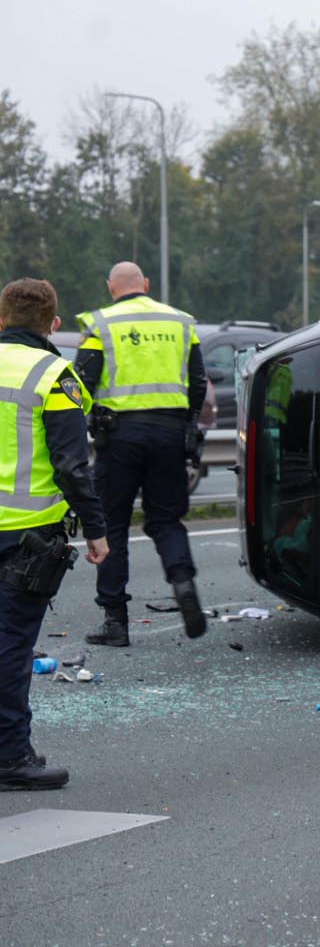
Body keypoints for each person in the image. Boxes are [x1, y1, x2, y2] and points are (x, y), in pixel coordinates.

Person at [0, 279, 108, 790]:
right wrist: (97, 528)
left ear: (1, 318)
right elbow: (71, 464)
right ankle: (11, 757)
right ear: (54, 325)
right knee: (11, 648)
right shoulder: (53, 374)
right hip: (24, 537)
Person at [74, 262, 208, 645]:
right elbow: (197, 381)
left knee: (112, 525)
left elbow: (81, 381)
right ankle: (183, 583)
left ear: (110, 288)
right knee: (166, 521)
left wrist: (88, 422)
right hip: (169, 434)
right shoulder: (180, 322)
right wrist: (190, 428)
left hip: (119, 438)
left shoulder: (101, 324)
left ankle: (115, 622)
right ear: (146, 285)